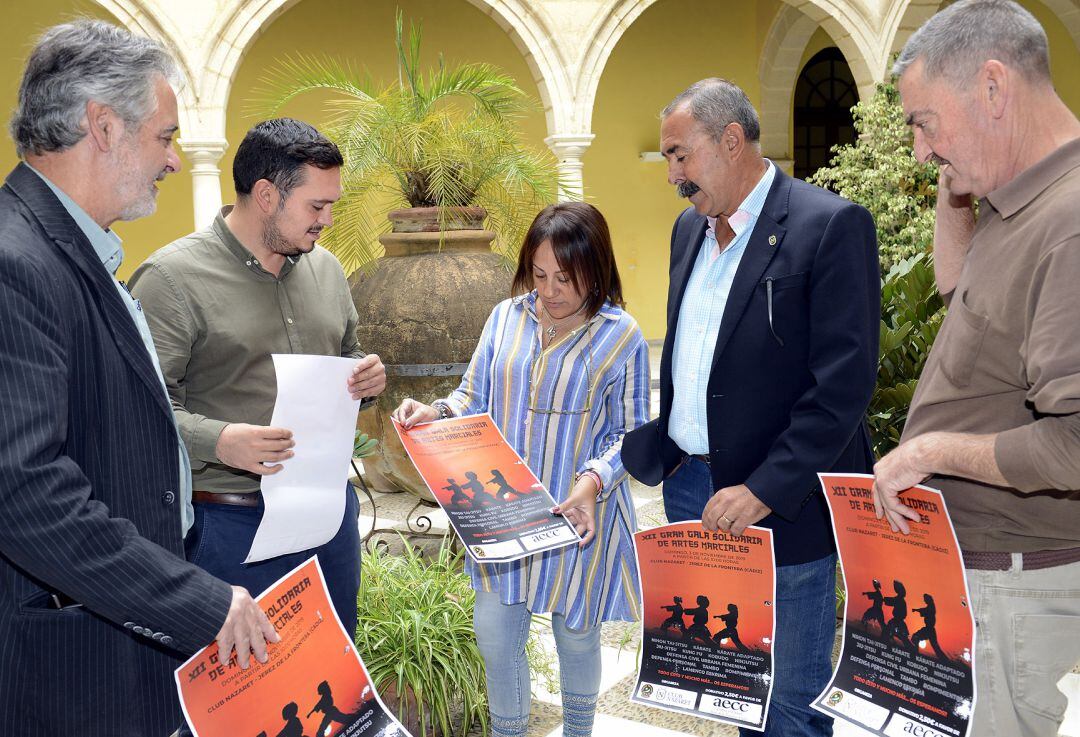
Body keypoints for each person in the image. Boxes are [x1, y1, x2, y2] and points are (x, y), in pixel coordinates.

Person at [0, 20, 276, 735]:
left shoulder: (69, 249)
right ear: (102, 127)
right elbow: (27, 494)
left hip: (115, 651)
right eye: (164, 136)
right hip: (68, 674)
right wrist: (199, 601)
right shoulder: (16, 263)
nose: (176, 160)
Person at [622, 78, 879, 736]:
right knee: (738, 690)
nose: (672, 174)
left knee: (790, 701)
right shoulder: (689, 230)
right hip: (693, 490)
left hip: (777, 505)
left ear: (730, 141)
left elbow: (842, 387)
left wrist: (762, 489)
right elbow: (694, 359)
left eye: (681, 155)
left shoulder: (829, 225)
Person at [874, 1, 1080, 733]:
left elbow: (1073, 442)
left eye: (926, 123)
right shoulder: (1021, 193)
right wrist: (955, 175)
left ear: (994, 89)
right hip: (982, 580)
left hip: (1019, 594)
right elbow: (958, 283)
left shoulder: (1070, 218)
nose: (922, 150)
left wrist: (929, 452)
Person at [392, 202, 650, 737]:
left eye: (566, 277)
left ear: (595, 270)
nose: (550, 290)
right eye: (539, 273)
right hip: (500, 509)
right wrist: (434, 412)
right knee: (495, 633)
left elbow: (630, 432)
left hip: (577, 511)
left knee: (575, 632)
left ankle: (579, 731)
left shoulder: (620, 335)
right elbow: (472, 395)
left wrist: (592, 480)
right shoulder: (505, 317)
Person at [130, 118, 386, 638]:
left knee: (332, 690)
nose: (329, 220)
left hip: (328, 518)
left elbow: (349, 356)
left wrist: (367, 378)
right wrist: (220, 440)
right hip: (228, 529)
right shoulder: (170, 280)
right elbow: (135, 414)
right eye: (317, 206)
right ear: (267, 195)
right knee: (237, 704)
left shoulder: (329, 271)